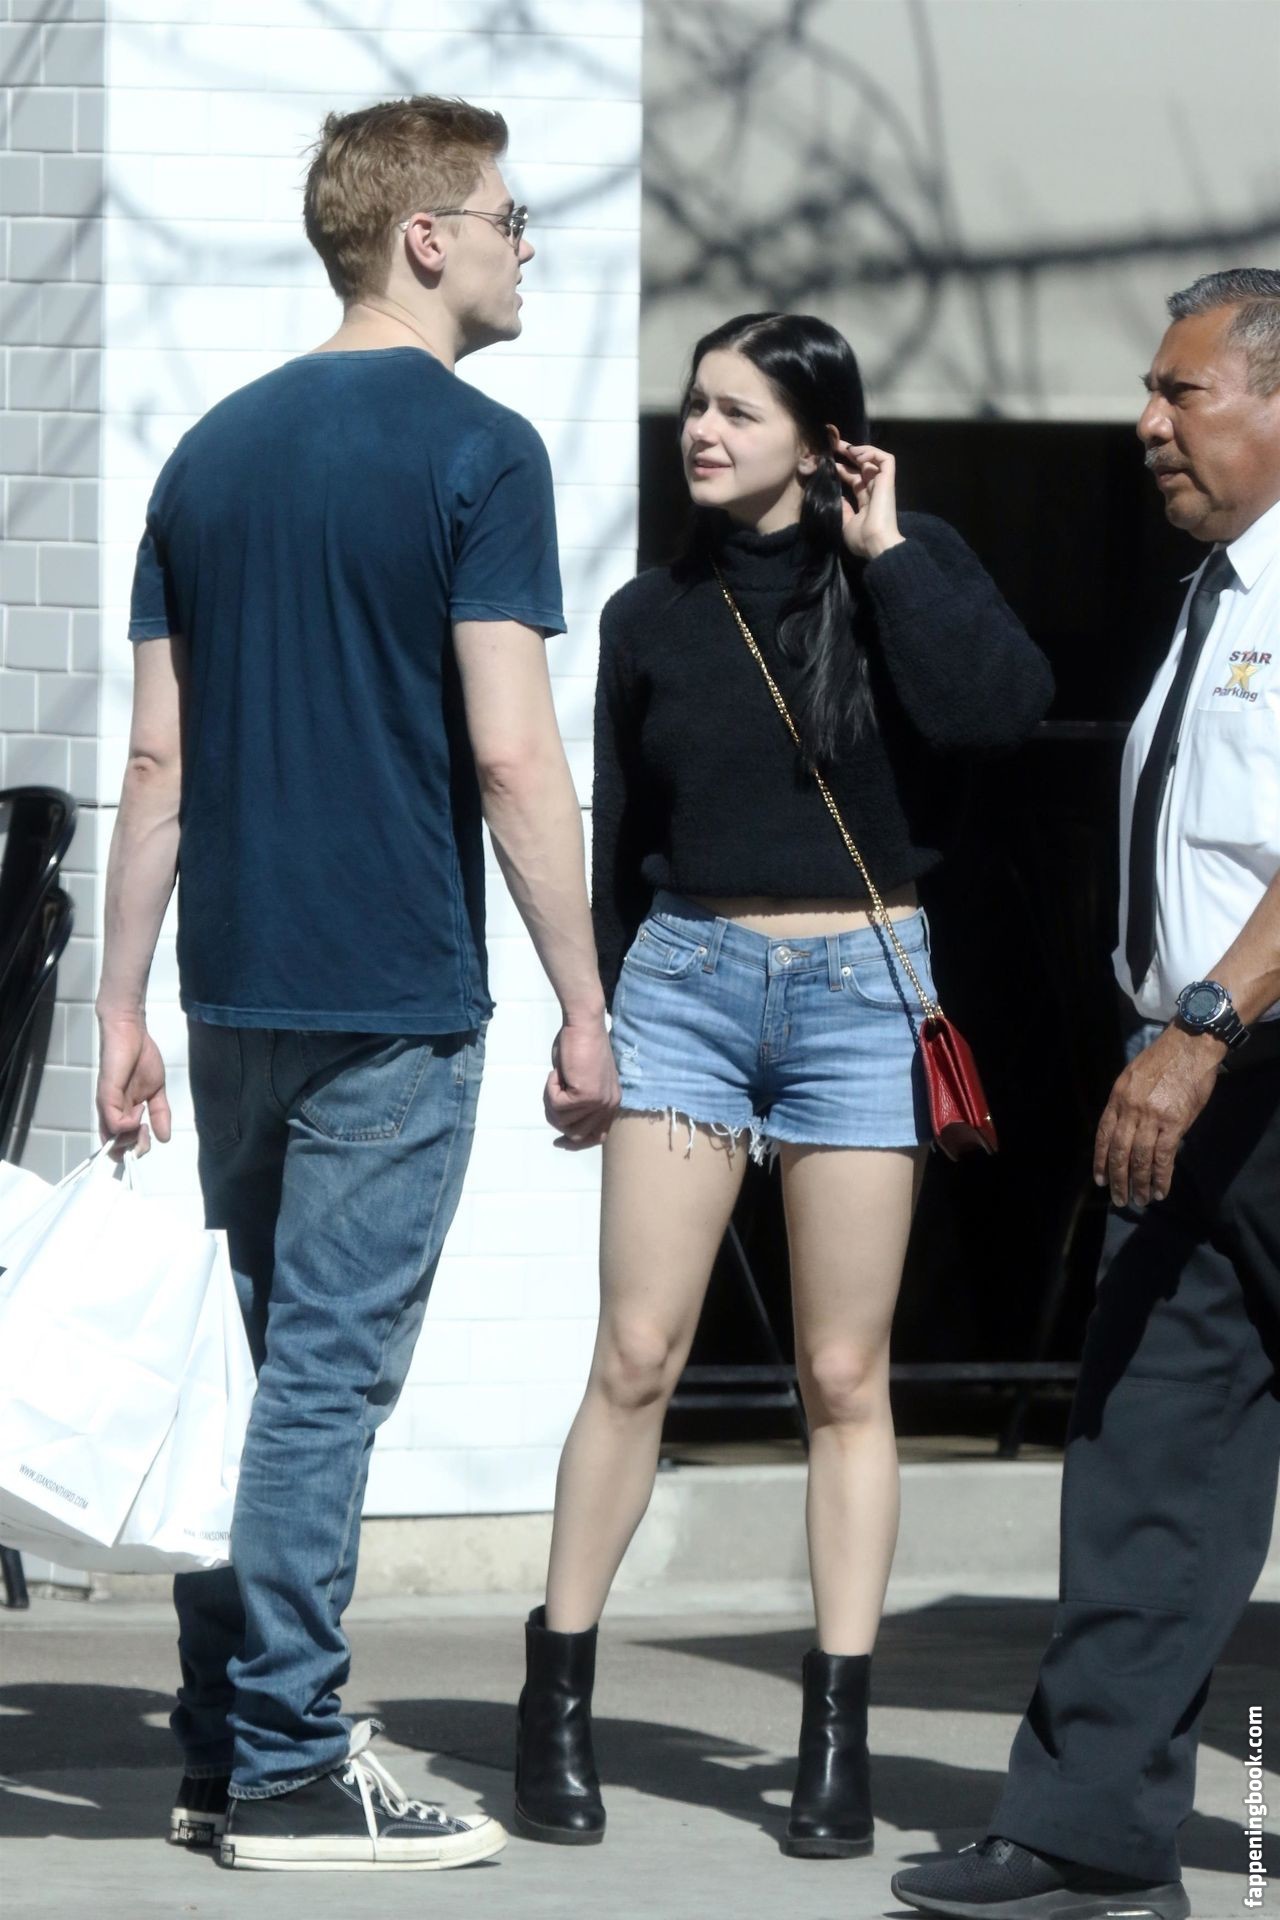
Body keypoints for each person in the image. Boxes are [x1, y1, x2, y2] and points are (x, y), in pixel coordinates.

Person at [94, 93, 617, 1874]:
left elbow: (154, 767)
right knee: (321, 1389)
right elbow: (516, 759)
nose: (526, 246)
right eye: (509, 217)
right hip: (394, 993)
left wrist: (119, 1008)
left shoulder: (209, 457)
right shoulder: (482, 452)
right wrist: (586, 1001)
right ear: (426, 238)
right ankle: (293, 1768)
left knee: (256, 1382)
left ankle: (221, 1744)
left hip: (233, 994)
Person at [512, 311, 1054, 1855]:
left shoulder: (904, 574)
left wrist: (888, 553)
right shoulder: (650, 615)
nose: (703, 431)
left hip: (863, 994)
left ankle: (836, 1737)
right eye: (696, 405)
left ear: (824, 443)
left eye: (740, 412)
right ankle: (557, 1699)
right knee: (636, 1352)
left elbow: (999, 711)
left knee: (841, 1374)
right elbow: (623, 835)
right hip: (686, 988)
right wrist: (589, 1016)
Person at [894, 268, 1280, 1920]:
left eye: (1181, 392)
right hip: (1190, 1088)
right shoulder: (1216, 597)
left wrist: (1203, 1025)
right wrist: (1174, 1044)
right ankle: (1093, 1841)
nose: (1144, 424)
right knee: (1145, 1461)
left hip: (1232, 1057)